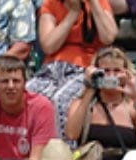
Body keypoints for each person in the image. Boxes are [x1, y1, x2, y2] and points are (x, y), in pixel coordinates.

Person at [31, 0, 119, 132]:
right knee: (28, 93)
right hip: (51, 68)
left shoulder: (100, 2)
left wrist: (93, 4)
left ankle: (65, 148)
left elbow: (109, 37)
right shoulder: (51, 3)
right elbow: (48, 46)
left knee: (62, 99)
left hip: (84, 69)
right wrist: (73, 13)